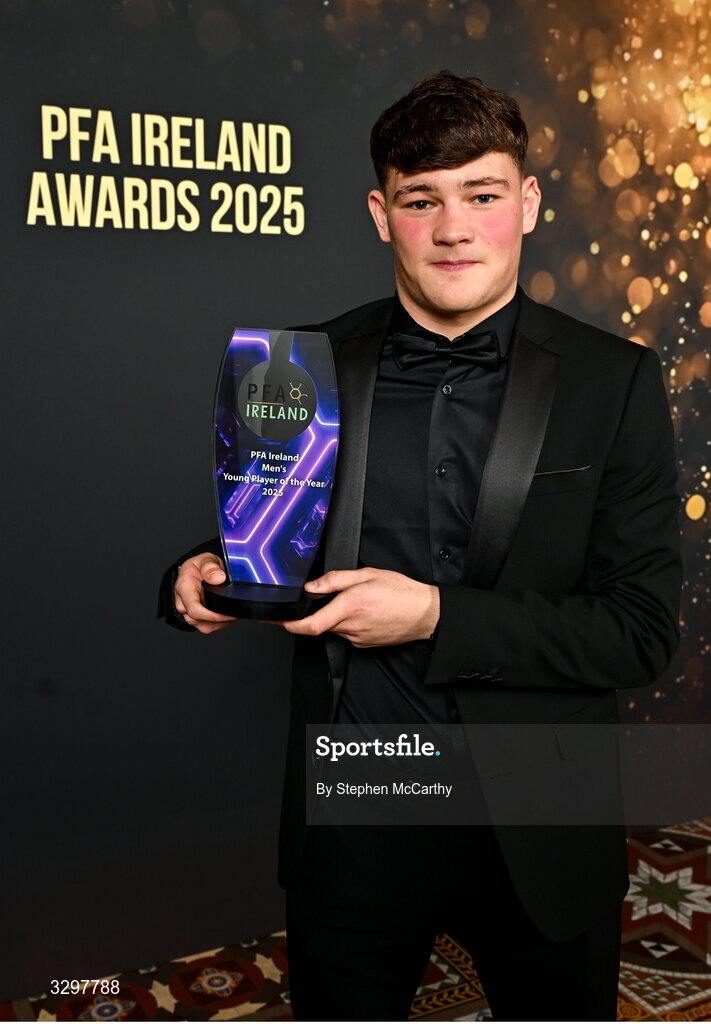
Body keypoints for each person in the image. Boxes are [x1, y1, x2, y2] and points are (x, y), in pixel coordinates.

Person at [158, 71, 682, 1021]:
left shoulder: (617, 383)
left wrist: (434, 617)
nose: (452, 229)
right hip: (359, 800)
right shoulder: (304, 360)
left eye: (481, 195)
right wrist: (205, 571)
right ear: (379, 212)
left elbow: (639, 634)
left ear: (525, 203)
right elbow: (277, 523)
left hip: (537, 816)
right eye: (420, 201)